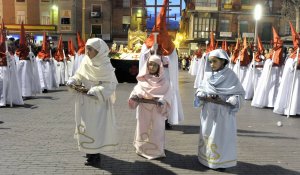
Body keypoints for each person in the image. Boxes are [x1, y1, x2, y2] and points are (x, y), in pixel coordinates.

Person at [66, 38, 118, 166]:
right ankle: (89, 151)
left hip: (97, 103)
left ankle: (95, 155)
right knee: (85, 127)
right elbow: (79, 75)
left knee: (95, 128)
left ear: (98, 51)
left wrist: (96, 90)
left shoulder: (106, 65)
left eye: (90, 49)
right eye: (86, 49)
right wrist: (73, 80)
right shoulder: (85, 61)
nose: (87, 52)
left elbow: (111, 84)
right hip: (84, 101)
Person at [194, 49, 245, 170]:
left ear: (223, 61)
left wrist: (231, 100)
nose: (211, 64)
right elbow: (200, 89)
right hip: (208, 111)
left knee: (221, 137)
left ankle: (222, 162)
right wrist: (202, 95)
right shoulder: (207, 75)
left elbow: (239, 94)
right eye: (210, 62)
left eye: (214, 61)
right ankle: (206, 158)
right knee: (207, 134)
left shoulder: (231, 75)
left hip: (224, 112)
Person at [128, 54, 172, 160]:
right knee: (143, 128)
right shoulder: (142, 80)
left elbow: (168, 96)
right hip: (144, 109)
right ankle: (141, 148)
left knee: (157, 130)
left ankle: (156, 150)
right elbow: (136, 90)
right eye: (150, 65)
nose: (151, 67)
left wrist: (163, 101)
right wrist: (135, 96)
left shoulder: (165, 82)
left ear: (159, 67)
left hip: (157, 111)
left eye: (154, 65)